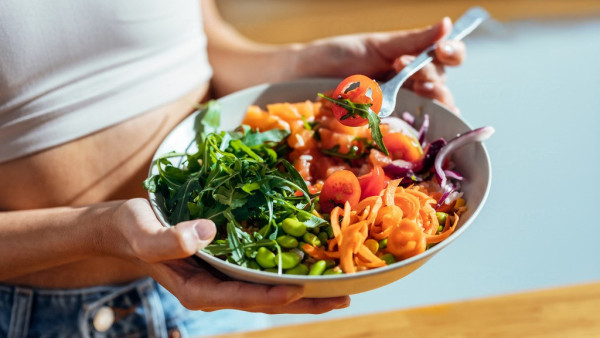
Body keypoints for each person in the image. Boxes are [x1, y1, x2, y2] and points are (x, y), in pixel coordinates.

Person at [0, 0, 466, 336]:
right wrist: (97, 230)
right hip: (38, 320)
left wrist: (305, 63)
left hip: (228, 288)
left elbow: (201, 47)